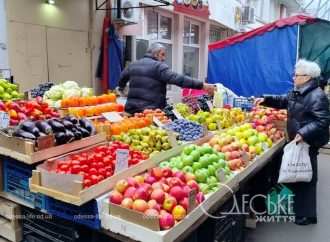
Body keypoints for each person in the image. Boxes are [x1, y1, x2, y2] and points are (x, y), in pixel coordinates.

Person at [255, 59, 330, 226]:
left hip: (308, 141)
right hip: (298, 140)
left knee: (307, 177)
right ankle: (300, 210)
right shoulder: (299, 91)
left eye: (296, 75)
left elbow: (322, 121)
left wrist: (303, 133)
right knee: (300, 175)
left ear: (307, 77)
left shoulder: (317, 96)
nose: (293, 77)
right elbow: (284, 101)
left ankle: (307, 215)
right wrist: (265, 99)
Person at [118, 42, 215, 114]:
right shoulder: (159, 67)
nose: (164, 58)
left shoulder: (133, 65)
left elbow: (121, 79)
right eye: (162, 54)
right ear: (155, 54)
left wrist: (123, 89)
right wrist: (202, 85)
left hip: (130, 111)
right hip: (149, 113)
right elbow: (178, 79)